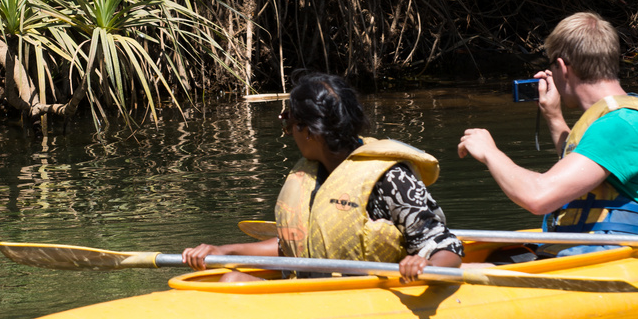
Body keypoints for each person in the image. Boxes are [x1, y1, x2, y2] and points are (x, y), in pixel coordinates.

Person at [183, 72, 463, 282]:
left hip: (372, 297)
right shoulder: (312, 173)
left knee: (233, 282)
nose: (289, 133)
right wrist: (226, 252)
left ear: (308, 130)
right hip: (313, 296)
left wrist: (427, 266)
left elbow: (445, 246)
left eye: (289, 123)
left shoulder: (389, 177)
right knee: (233, 278)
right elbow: (298, 243)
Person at [457, 12, 638, 249]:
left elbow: (538, 197)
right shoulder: (622, 116)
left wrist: (489, 152)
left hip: (617, 258)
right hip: (599, 251)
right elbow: (583, 166)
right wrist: (553, 116)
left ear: (562, 67)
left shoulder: (620, 126)